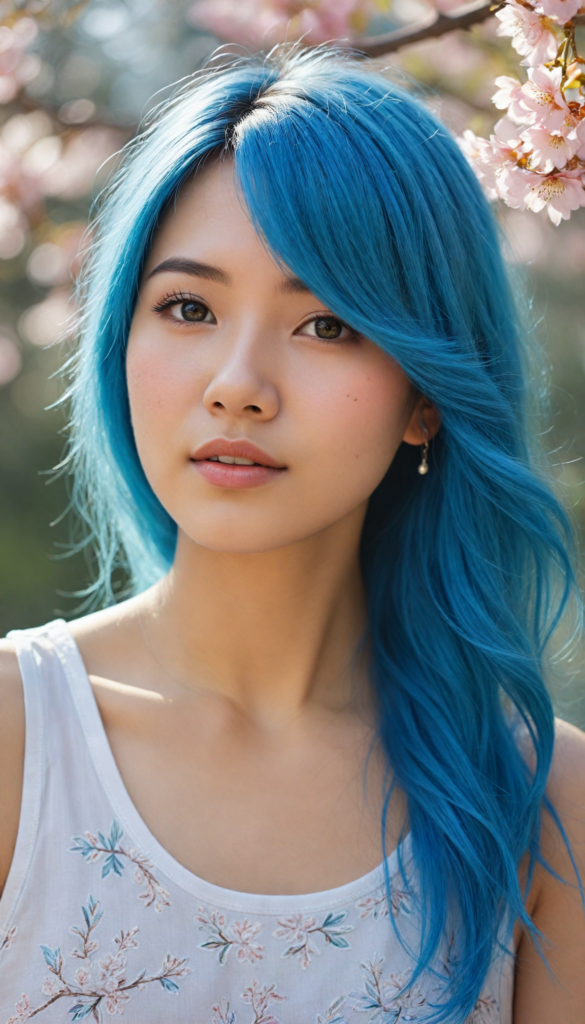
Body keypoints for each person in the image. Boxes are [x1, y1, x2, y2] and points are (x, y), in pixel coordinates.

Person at [0, 46, 584, 1024]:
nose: (237, 382)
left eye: (326, 325)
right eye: (188, 307)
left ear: (426, 397)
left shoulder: (540, 800)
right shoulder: (18, 743)